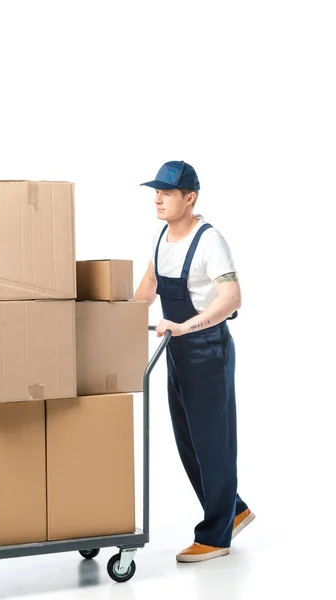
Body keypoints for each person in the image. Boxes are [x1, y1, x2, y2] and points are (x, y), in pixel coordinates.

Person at [134, 160, 255, 563]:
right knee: (188, 442)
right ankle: (233, 509)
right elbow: (149, 287)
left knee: (213, 444)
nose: (158, 200)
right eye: (156, 192)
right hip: (177, 351)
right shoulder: (161, 237)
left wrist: (188, 326)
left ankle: (216, 535)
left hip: (207, 350)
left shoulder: (208, 241)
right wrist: (118, 319)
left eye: (167, 193)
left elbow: (231, 298)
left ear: (190, 197)